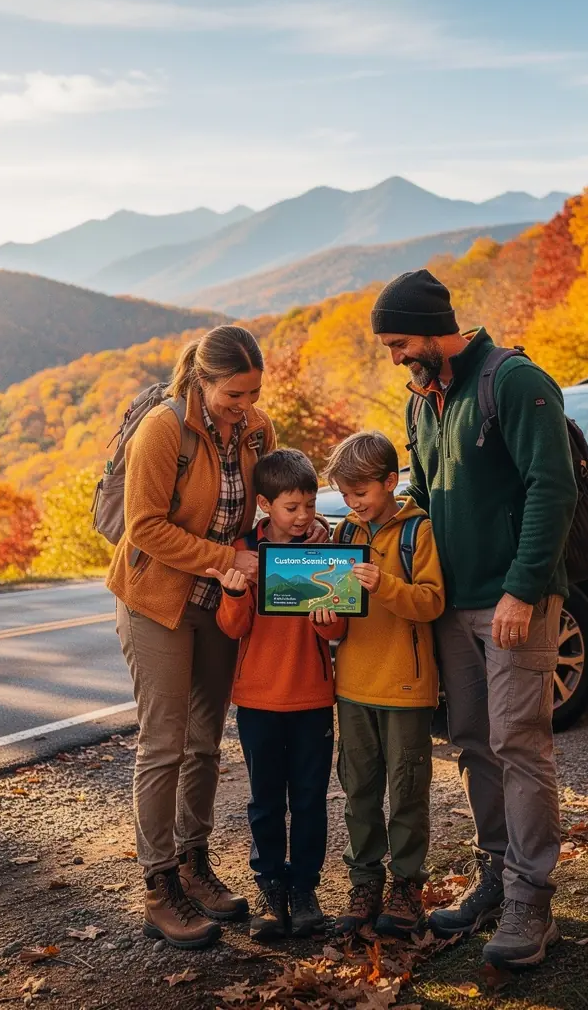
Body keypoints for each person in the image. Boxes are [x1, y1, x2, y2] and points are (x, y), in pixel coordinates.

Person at [371, 269, 577, 968]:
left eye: (399, 342)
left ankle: (531, 900)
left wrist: (522, 589)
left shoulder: (512, 382)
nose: (394, 356)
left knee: (520, 743)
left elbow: (554, 487)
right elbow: (423, 498)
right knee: (471, 742)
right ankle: (497, 874)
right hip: (451, 605)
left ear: (432, 326)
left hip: (515, 603)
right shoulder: (422, 401)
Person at [106, 325, 328, 950]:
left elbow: (269, 504)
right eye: (234, 393)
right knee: (164, 743)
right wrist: (222, 558)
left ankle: (192, 862)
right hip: (158, 601)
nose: (246, 404)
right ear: (202, 382)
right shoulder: (161, 431)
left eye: (254, 391)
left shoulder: (258, 430)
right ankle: (158, 885)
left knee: (205, 743)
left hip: (222, 604)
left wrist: (300, 539)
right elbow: (144, 527)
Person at [206, 449, 345, 942]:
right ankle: (270, 889)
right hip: (259, 699)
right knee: (266, 801)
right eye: (292, 507)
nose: (303, 516)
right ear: (266, 505)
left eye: (309, 504)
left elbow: (339, 628)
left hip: (311, 698)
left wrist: (330, 623)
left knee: (309, 799)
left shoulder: (326, 549)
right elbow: (232, 627)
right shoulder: (245, 550)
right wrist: (236, 592)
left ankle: (305, 890)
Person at [313, 431, 445, 939]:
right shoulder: (344, 535)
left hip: (406, 687)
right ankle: (363, 881)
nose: (353, 504)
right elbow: (336, 619)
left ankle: (407, 885)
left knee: (407, 790)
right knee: (358, 790)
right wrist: (324, 618)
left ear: (391, 482)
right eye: (346, 496)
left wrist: (385, 585)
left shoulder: (418, 533)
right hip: (352, 687)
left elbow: (432, 602)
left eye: (361, 494)